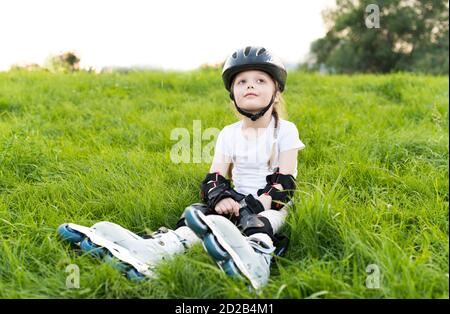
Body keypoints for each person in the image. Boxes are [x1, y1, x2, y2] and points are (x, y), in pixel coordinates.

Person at [57, 46, 305, 289]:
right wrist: (220, 198)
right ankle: (156, 251)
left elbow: (284, 185)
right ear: (232, 94)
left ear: (276, 91)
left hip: (272, 204)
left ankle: (256, 259)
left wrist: (248, 208)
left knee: (259, 222)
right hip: (238, 200)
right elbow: (215, 177)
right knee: (198, 213)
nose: (250, 85)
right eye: (241, 82)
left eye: (260, 80)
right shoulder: (229, 134)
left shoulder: (285, 130)